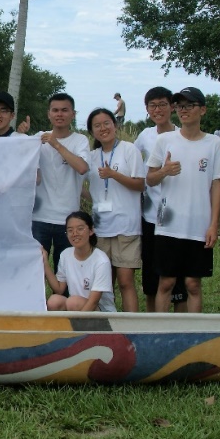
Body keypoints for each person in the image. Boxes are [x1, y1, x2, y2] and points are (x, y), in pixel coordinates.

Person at [145, 87, 220, 313]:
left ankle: (193, 330)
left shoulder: (214, 144)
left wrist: (213, 225)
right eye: (180, 106)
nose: (183, 110)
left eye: (189, 105)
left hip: (198, 225)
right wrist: (164, 171)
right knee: (166, 282)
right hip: (168, 224)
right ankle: (161, 330)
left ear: (202, 110)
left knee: (193, 284)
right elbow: (150, 179)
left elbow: (217, 185)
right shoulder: (165, 140)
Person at [85, 108, 145, 312]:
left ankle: (131, 326)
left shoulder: (129, 150)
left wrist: (113, 175)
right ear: (92, 132)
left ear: (115, 125)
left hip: (126, 227)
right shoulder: (92, 156)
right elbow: (89, 190)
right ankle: (105, 324)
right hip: (101, 228)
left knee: (125, 281)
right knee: (103, 284)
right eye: (97, 125)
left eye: (106, 123)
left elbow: (140, 185)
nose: (103, 128)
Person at [134, 87, 188, 312]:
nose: (158, 110)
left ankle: (180, 324)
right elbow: (133, 164)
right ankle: (151, 322)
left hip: (178, 217)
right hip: (150, 216)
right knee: (151, 276)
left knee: (179, 278)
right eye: (153, 106)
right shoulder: (144, 136)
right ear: (147, 109)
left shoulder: (183, 135)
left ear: (172, 107)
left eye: (163, 105)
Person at [33, 93, 91, 274]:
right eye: (55, 110)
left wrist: (56, 144)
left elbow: (82, 167)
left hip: (68, 219)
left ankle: (63, 295)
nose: (59, 114)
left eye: (64, 110)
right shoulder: (38, 138)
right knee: (35, 270)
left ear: (73, 114)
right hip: (39, 218)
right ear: (48, 114)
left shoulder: (80, 140)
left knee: (66, 273)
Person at [43, 211, 115, 312]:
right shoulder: (65, 255)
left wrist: (75, 320)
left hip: (102, 312)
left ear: (91, 231)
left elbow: (93, 302)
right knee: (54, 301)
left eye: (80, 229)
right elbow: (59, 289)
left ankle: (74, 322)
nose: (75, 234)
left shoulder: (101, 260)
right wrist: (45, 262)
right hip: (76, 307)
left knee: (73, 302)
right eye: (70, 230)